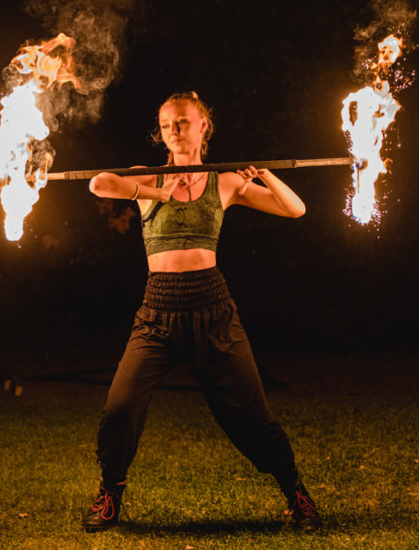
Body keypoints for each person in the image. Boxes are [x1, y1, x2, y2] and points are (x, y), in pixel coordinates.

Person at [82, 91, 321, 532]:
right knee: (120, 407)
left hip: (213, 308)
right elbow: (98, 183)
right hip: (158, 310)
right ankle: (110, 493)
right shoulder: (147, 176)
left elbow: (296, 209)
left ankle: (296, 494)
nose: (174, 130)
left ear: (202, 126)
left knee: (251, 416)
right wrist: (155, 190)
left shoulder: (225, 182)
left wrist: (264, 172)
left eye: (183, 122)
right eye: (167, 123)